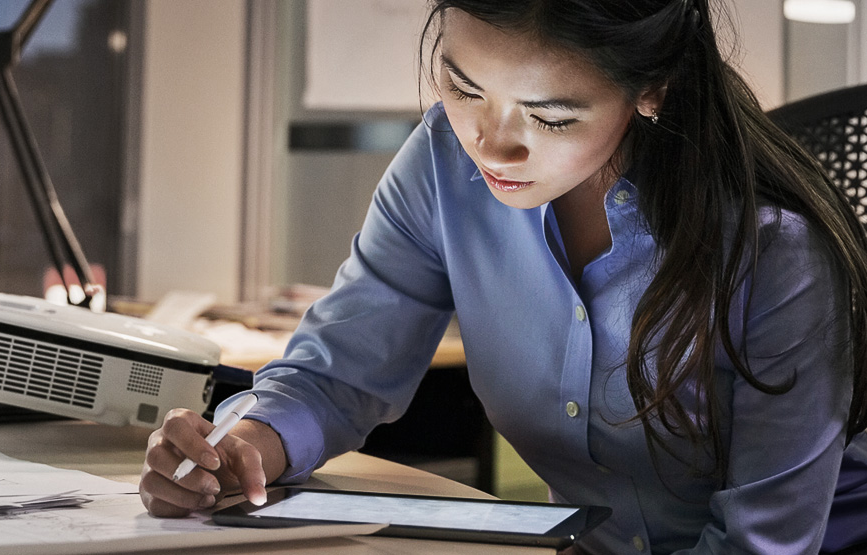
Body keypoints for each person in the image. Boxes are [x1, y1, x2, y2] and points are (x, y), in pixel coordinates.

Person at [140, 0, 867, 552]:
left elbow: (761, 543)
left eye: (550, 118)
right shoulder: (442, 167)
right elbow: (336, 374)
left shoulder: (778, 254)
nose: (491, 144)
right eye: (464, 89)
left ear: (653, 90)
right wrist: (244, 447)